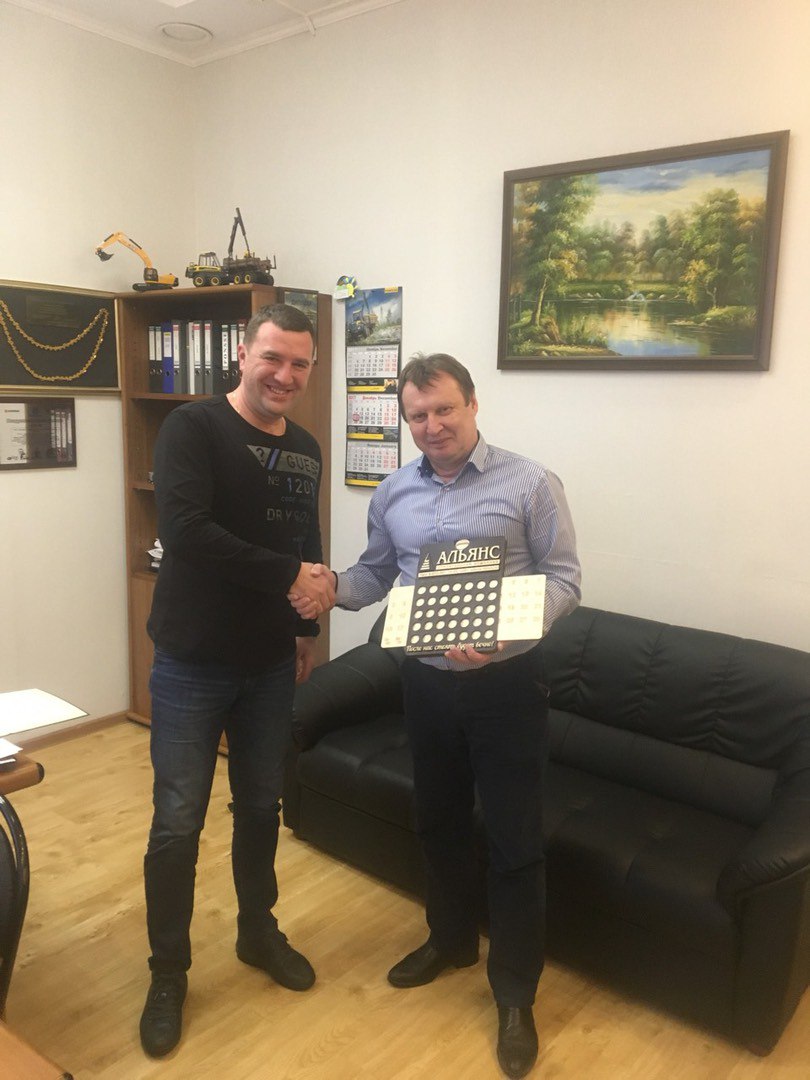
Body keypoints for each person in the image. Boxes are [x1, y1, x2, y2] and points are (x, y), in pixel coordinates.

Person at [291, 353, 580, 1079]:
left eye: (444, 409)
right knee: (439, 821)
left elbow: (564, 578)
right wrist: (329, 587)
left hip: (507, 687)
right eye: (417, 415)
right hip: (424, 684)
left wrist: (506, 632)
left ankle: (514, 993)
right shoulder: (393, 492)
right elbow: (377, 574)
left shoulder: (531, 482)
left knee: (514, 842)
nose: (432, 425)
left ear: (473, 405)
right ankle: (450, 941)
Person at [139, 303, 335, 1058]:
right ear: (243, 356)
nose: (284, 374)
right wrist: (289, 575)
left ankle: (258, 931)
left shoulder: (307, 447)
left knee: (260, 804)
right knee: (177, 821)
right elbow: (185, 531)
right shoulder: (192, 428)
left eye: (299, 363)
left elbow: (306, 539)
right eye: (272, 358)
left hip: (269, 661)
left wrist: (306, 627)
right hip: (192, 660)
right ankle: (168, 971)